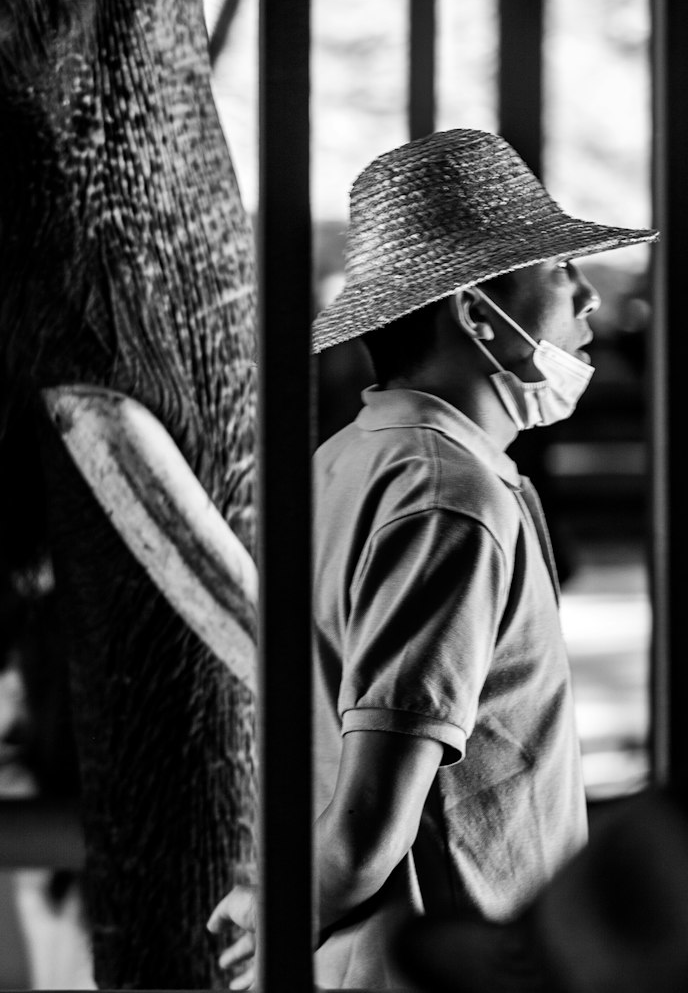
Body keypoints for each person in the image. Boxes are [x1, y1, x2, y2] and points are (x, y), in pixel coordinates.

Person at [207, 128, 657, 988]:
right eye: (557, 267)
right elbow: (371, 826)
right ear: (475, 307)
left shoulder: (351, 459)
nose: (588, 295)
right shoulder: (449, 497)